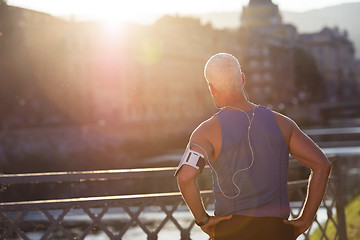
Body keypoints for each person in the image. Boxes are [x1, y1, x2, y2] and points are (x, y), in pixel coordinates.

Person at [175, 53, 331, 240]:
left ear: (211, 87)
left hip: (230, 231)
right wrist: (305, 219)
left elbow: (185, 177)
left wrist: (203, 220)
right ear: (242, 79)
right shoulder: (282, 123)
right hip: (276, 231)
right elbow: (322, 165)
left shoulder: (205, 132)